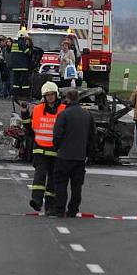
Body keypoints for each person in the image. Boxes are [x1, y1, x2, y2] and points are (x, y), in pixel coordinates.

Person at [21, 81, 66, 213]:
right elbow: (29, 127)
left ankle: (50, 205)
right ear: (44, 97)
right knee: (39, 176)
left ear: (56, 95)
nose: (50, 97)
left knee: (53, 178)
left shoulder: (63, 109)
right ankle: (36, 200)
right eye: (47, 95)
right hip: (40, 149)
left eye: (52, 94)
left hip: (56, 151)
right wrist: (24, 113)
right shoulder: (38, 109)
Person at [52, 89, 96, 217]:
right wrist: (88, 153)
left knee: (61, 184)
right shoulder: (87, 115)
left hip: (64, 155)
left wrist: (57, 148)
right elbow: (92, 136)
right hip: (80, 156)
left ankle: (60, 209)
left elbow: (57, 135)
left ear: (68, 99)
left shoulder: (64, 114)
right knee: (77, 186)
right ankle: (73, 209)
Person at [8, 30, 32, 98]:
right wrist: (29, 49)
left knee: (16, 81)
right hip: (23, 66)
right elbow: (27, 52)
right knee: (25, 81)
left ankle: (15, 93)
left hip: (15, 66)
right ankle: (25, 94)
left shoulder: (14, 43)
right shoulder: (22, 42)